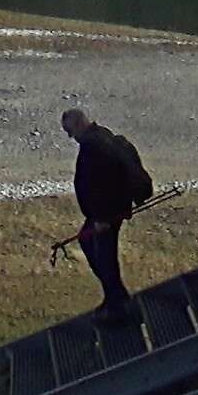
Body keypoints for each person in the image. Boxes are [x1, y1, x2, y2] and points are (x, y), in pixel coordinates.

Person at [65, 107, 151, 326]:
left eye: (70, 131)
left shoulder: (94, 147)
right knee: (88, 241)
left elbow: (103, 185)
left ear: (78, 125)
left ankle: (119, 306)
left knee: (105, 258)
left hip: (106, 214)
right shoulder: (101, 136)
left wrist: (103, 218)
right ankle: (115, 297)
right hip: (106, 211)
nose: (71, 137)